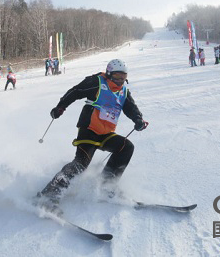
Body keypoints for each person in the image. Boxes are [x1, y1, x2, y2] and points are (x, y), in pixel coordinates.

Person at [35, 59, 148, 212]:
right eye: (117, 77)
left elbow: (131, 108)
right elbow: (75, 91)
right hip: (89, 129)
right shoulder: (96, 81)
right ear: (109, 74)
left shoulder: (123, 92)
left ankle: (106, 186)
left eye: (123, 77)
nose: (120, 80)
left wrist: (138, 120)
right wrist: (60, 107)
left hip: (106, 133)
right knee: (81, 163)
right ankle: (48, 195)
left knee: (125, 147)